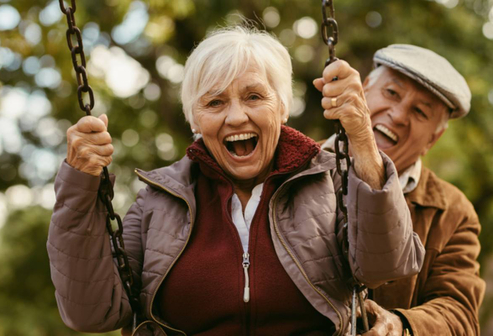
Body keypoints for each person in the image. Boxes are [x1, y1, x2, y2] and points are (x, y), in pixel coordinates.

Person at [47, 27, 425, 335]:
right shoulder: (156, 203)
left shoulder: (330, 181)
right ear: (194, 119)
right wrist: (79, 183)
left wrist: (361, 138)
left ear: (282, 107)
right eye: (214, 103)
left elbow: (386, 266)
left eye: (254, 96)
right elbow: (91, 314)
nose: (236, 117)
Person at [314, 44, 485, 335]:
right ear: (364, 88)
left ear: (434, 137)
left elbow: (460, 314)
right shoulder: (292, 169)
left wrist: (401, 325)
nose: (398, 115)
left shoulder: (452, 212)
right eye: (392, 93)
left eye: (420, 111)